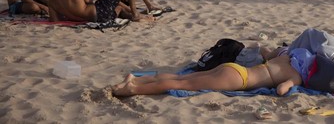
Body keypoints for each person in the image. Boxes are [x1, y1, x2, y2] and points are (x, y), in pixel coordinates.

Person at [111, 54, 304, 97]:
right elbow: (281, 90)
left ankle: (136, 78)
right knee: (181, 85)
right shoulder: (297, 74)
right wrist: (294, 83)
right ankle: (133, 88)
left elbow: (265, 51)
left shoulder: (287, 56)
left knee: (180, 78)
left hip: (234, 68)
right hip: (238, 80)